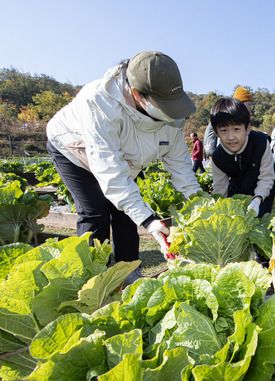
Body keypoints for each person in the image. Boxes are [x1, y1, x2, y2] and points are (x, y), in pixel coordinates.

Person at [46, 51, 201, 283]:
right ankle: (93, 280)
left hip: (126, 160)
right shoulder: (99, 103)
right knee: (95, 212)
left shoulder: (170, 115)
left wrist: (201, 205)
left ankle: (129, 274)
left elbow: (181, 168)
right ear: (137, 94)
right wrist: (149, 222)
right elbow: (110, 172)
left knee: (126, 215)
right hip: (73, 150)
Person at [210, 97, 275, 217]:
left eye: (236, 129)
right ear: (216, 133)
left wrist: (257, 200)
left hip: (265, 190)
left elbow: (267, 177)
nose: (231, 137)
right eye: (224, 130)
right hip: (238, 192)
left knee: (263, 220)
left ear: (247, 128)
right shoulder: (217, 158)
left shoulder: (260, 143)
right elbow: (220, 189)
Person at [203, 86, 254, 158]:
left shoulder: (242, 118)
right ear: (241, 103)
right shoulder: (225, 115)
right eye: (249, 104)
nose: (251, 107)